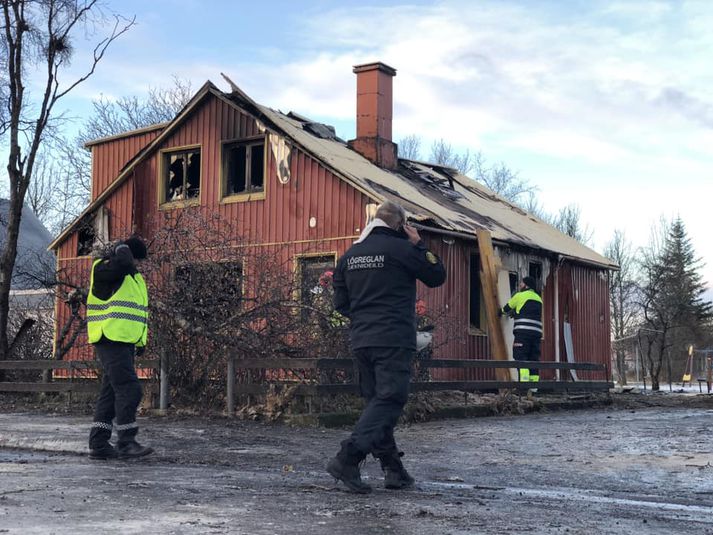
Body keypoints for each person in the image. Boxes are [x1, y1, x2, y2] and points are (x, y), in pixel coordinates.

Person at [327, 201, 446, 493]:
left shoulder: (349, 256)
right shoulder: (403, 249)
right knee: (391, 399)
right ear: (400, 225)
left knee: (376, 403)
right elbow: (437, 275)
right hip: (392, 338)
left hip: (362, 340)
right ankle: (348, 457)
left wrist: (365, 317)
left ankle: (393, 470)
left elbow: (341, 304)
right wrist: (419, 244)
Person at [87, 236, 154, 460]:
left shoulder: (132, 278)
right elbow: (123, 264)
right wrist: (121, 248)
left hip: (124, 341)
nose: (140, 265)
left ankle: (99, 442)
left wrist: (140, 342)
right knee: (129, 388)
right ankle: (126, 442)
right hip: (110, 337)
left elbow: (137, 313)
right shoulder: (106, 269)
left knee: (110, 393)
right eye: (139, 260)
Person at [498, 276, 543, 383]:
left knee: (520, 357)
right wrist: (517, 313)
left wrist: (500, 312)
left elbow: (507, 308)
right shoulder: (538, 298)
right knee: (533, 359)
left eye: (521, 284)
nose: (519, 286)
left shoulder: (520, 296)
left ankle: (523, 385)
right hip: (536, 334)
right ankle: (533, 389)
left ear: (526, 285)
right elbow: (529, 311)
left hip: (523, 333)